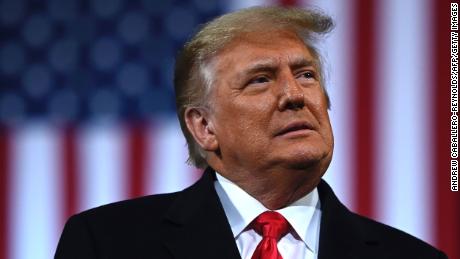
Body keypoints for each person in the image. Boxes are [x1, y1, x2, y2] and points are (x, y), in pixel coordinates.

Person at [55, 6, 447, 259]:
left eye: (306, 75)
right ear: (204, 127)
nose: (295, 95)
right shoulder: (107, 244)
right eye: (261, 80)